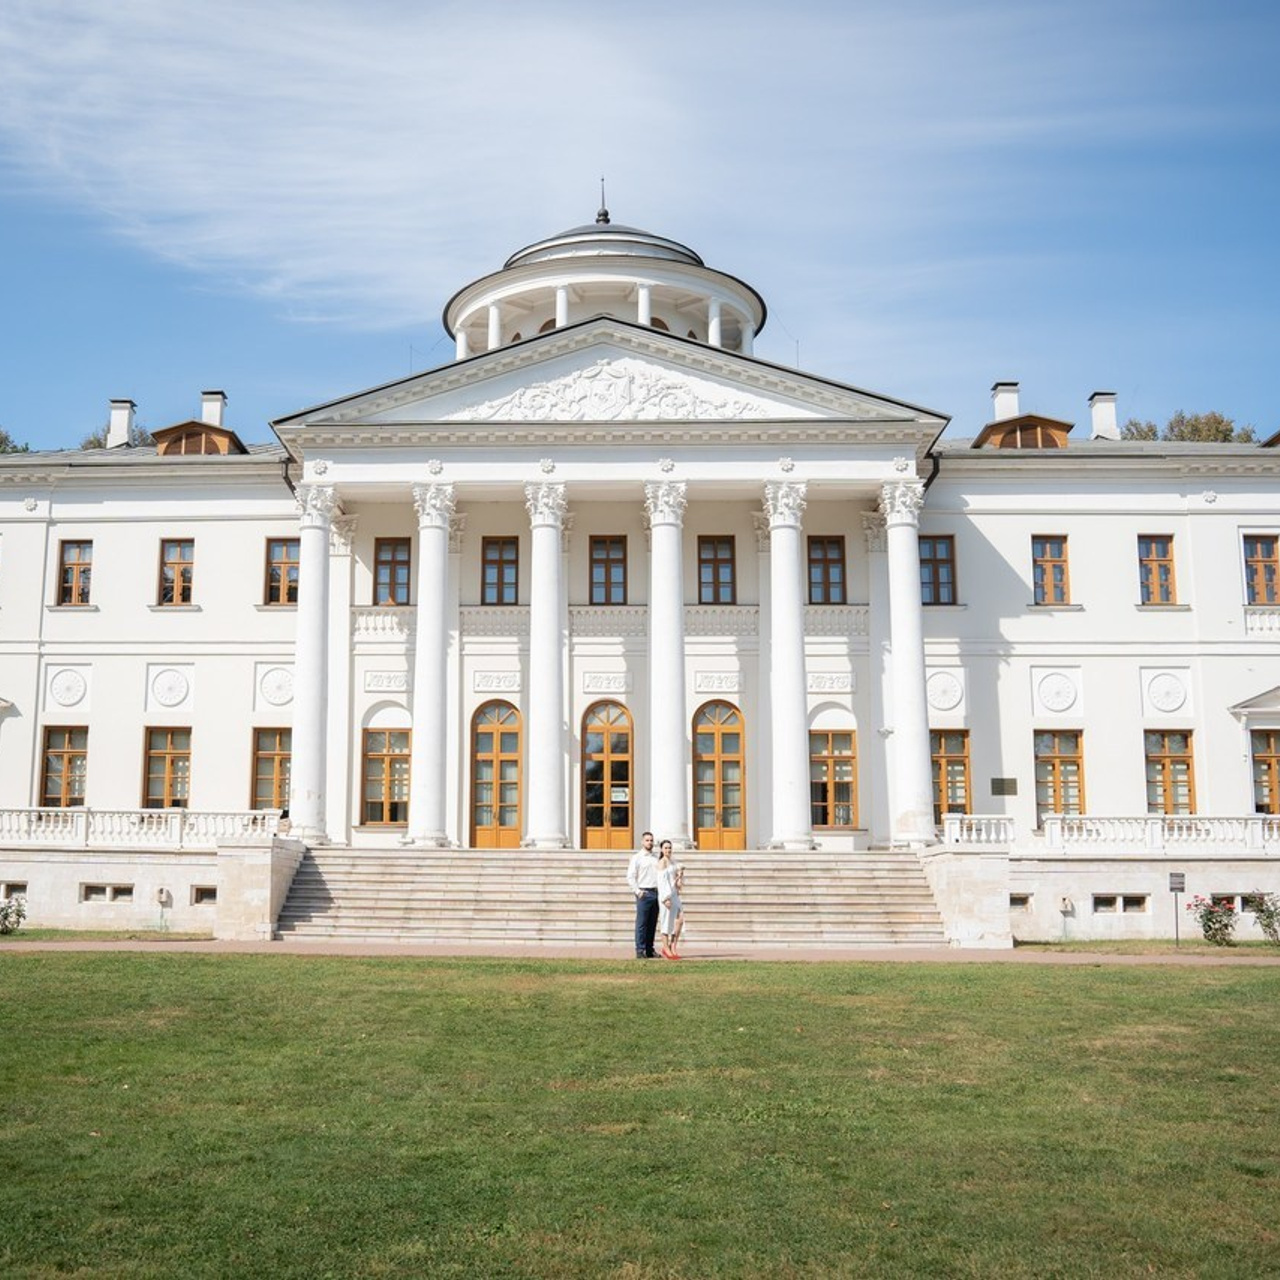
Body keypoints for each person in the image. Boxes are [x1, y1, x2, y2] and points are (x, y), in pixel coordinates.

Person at [626, 831, 660, 959]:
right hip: (644, 893)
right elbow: (630, 876)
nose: (649, 842)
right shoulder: (637, 857)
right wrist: (638, 891)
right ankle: (640, 950)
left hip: (655, 893)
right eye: (647, 840)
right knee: (642, 923)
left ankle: (649, 949)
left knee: (652, 923)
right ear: (642, 842)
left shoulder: (656, 858)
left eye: (651, 840)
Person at [656, 839, 684, 959]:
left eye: (669, 848)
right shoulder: (662, 863)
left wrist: (679, 878)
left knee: (680, 920)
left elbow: (674, 880)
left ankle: (673, 945)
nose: (668, 850)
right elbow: (661, 882)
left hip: (674, 894)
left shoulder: (673, 862)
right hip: (665, 896)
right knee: (666, 921)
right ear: (662, 849)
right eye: (666, 848)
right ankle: (666, 948)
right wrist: (665, 898)